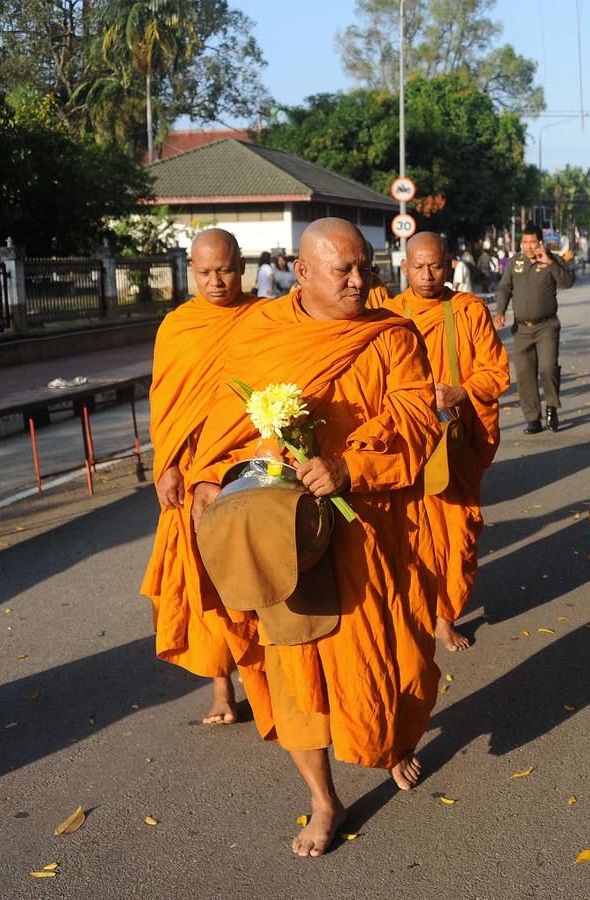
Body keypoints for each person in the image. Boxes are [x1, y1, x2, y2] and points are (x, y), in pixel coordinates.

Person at [188, 218, 441, 857]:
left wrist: (351, 466)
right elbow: (221, 427)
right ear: (301, 274)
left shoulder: (391, 335)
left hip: (369, 531)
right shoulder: (262, 332)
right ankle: (323, 800)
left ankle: (387, 740)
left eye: (365, 268)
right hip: (284, 533)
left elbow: (415, 418)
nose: (360, 282)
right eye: (343, 271)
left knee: (396, 661)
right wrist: (207, 480)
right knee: (296, 669)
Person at [140, 228, 263, 725]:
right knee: (205, 577)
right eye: (206, 272)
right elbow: (164, 402)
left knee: (258, 570)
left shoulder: (263, 317)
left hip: (248, 465)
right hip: (192, 472)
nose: (217, 282)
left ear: (242, 265)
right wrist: (166, 464)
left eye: (226, 270)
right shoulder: (177, 326)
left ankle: (271, 673)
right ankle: (222, 689)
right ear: (192, 270)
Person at [376, 232, 510, 652]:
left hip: (452, 445)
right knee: (408, 536)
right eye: (418, 266)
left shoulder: (467, 311)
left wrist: (462, 391)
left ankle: (444, 616)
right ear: (404, 267)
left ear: (449, 265)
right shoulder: (385, 315)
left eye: (435, 265)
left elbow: (497, 372)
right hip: (403, 445)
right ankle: (410, 612)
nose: (427, 274)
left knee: (456, 534)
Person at [493, 225, 575, 433]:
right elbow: (504, 288)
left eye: (533, 242)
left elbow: (568, 282)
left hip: (547, 326)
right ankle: (532, 418)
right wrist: (500, 311)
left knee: (548, 368)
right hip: (521, 329)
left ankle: (552, 408)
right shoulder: (515, 263)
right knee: (524, 373)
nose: (529, 247)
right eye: (525, 242)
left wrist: (548, 261)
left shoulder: (552, 260)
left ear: (541, 242)